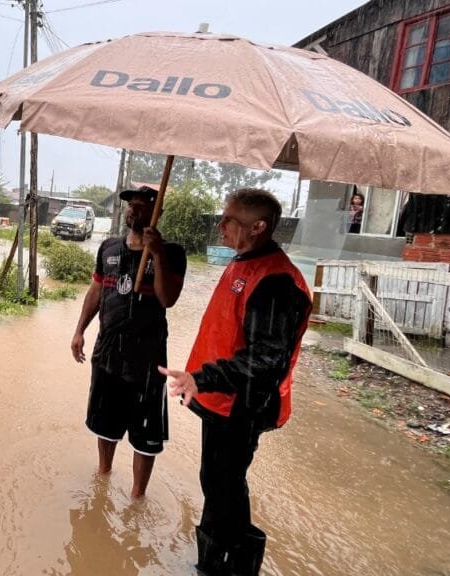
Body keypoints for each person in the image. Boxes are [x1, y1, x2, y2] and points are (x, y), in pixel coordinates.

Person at [160, 188, 311, 576]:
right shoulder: (245, 261)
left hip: (243, 406)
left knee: (225, 486)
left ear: (258, 227)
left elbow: (265, 361)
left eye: (229, 219)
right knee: (217, 482)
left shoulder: (276, 281)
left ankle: (229, 565)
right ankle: (215, 559)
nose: (221, 225)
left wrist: (202, 377)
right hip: (220, 400)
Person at [70, 185, 187, 499]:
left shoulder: (173, 253)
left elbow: (167, 298)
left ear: (157, 212)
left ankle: (137, 496)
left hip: (147, 357)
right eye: (131, 205)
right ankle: (103, 477)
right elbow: (96, 291)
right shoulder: (108, 247)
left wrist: (157, 253)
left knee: (145, 434)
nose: (134, 210)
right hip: (107, 350)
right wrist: (80, 330)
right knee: (104, 425)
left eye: (142, 206)